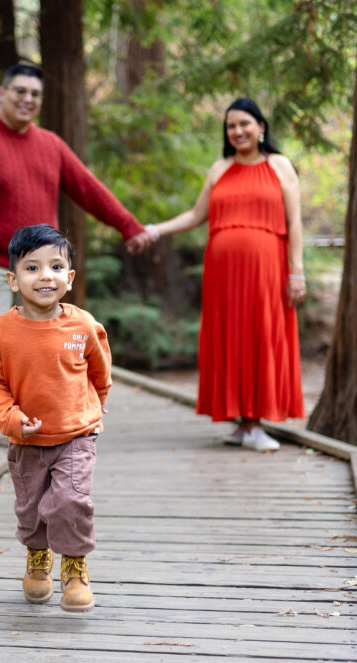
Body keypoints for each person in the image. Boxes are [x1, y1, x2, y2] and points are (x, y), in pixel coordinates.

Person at [0, 62, 152, 438]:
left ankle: (34, 414)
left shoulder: (50, 145)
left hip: (41, 265)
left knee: (42, 337)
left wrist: (128, 226)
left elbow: (88, 188)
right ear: (1, 92)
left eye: (35, 94)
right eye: (20, 91)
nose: (28, 99)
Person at [143, 97, 305, 451]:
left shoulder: (279, 166)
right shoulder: (219, 168)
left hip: (266, 269)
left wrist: (297, 272)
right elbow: (195, 215)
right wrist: (156, 230)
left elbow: (294, 221)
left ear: (261, 127)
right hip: (223, 275)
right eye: (231, 126)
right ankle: (239, 421)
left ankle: (256, 423)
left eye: (245, 123)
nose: (238, 131)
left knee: (259, 333)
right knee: (229, 337)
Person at [0, 224, 110, 613]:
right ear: (13, 280)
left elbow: (100, 371)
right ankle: (38, 557)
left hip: (76, 434)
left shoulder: (83, 325)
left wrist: (94, 407)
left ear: (68, 278)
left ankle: (74, 566)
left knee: (70, 500)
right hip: (26, 439)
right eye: (31, 268)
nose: (44, 276)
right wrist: (12, 420)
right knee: (31, 507)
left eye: (55, 267)